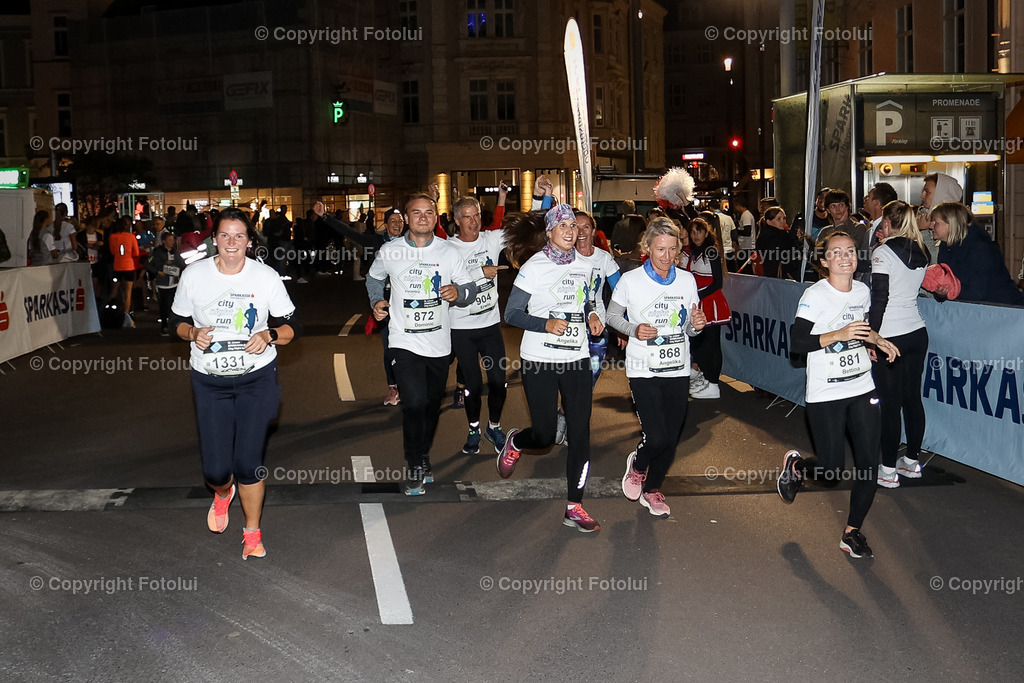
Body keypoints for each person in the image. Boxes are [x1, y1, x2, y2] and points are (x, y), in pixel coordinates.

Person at [169, 207, 300, 560]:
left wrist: (270, 334)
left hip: (257, 378)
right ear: (214, 240)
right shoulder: (195, 276)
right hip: (210, 381)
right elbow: (175, 322)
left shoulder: (265, 277)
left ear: (249, 241)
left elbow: (292, 326)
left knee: (248, 462)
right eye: (225, 235)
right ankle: (222, 493)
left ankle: (252, 532)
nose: (231, 242)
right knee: (215, 470)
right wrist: (193, 332)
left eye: (239, 236)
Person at [777, 231, 900, 559]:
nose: (845, 257)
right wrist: (838, 335)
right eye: (837, 252)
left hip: (861, 386)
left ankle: (852, 532)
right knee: (831, 468)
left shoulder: (862, 290)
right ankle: (799, 468)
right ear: (824, 261)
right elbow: (797, 342)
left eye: (850, 251)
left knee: (867, 465)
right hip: (826, 390)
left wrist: (877, 340)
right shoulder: (815, 296)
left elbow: (859, 326)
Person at [499, 205, 605, 532]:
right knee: (544, 435)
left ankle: (575, 505)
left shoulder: (584, 266)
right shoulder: (534, 266)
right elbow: (512, 314)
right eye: (564, 226)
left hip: (575, 358)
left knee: (580, 433)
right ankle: (517, 441)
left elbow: (585, 299)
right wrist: (545, 324)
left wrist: (591, 316)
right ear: (550, 232)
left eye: (575, 225)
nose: (572, 231)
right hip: (540, 359)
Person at [366, 194, 478, 495]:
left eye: (429, 212)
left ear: (436, 216)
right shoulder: (391, 251)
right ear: (406, 217)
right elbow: (373, 279)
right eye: (417, 212)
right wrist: (377, 300)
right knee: (413, 403)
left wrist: (459, 292)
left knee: (430, 406)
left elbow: (470, 288)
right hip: (403, 340)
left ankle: (424, 452)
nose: (423, 217)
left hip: (439, 344)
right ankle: (414, 461)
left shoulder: (449, 251)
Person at [607, 218, 706, 517]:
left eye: (672, 249)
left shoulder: (687, 281)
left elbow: (690, 327)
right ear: (647, 247)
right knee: (657, 436)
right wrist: (633, 329)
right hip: (643, 369)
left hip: (677, 369)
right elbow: (612, 316)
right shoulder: (631, 280)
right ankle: (637, 464)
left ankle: (652, 488)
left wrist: (697, 326)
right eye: (660, 249)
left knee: (671, 437)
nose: (666, 256)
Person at [316, 202, 407, 405]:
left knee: (410, 346)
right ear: (386, 223)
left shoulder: (411, 242)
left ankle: (411, 385)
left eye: (400, 221)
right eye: (393, 221)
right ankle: (393, 387)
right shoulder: (376, 241)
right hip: (384, 301)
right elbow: (351, 233)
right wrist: (326, 217)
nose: (397, 224)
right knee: (389, 346)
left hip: (407, 300)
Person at [870, 201, 930, 488]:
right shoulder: (922, 250)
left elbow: (879, 300)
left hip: (890, 336)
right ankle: (912, 462)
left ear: (887, 223)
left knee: (890, 404)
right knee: (912, 399)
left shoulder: (883, 253)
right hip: (917, 332)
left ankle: (888, 469)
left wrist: (873, 338)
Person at [447, 193, 510, 454]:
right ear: (456, 220)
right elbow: (449, 284)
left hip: (489, 325)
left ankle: (493, 426)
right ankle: (473, 428)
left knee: (498, 381)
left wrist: (543, 197)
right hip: (461, 327)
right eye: (467, 217)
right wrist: (479, 273)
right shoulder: (447, 248)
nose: (474, 222)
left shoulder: (491, 240)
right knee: (472, 385)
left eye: (477, 216)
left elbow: (525, 228)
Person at [930, 202, 1024, 306]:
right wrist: (941, 292)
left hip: (1002, 309)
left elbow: (978, 292)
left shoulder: (979, 247)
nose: (931, 226)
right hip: (976, 310)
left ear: (951, 223)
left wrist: (949, 292)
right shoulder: (946, 246)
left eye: (936, 222)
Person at [685, 217, 730, 399]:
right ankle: (707, 379)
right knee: (700, 344)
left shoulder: (711, 251)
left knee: (712, 345)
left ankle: (714, 383)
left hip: (711, 302)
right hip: (699, 303)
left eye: (700, 231)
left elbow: (717, 283)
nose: (696, 236)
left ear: (706, 233)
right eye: (693, 232)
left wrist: (699, 295)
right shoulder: (693, 252)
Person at [146, 230, 186, 336]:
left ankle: (173, 325)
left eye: (173, 240)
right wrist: (158, 271)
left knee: (174, 304)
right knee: (164, 305)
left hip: (174, 283)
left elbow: (181, 264)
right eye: (169, 240)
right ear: (164, 241)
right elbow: (149, 263)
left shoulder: (175, 252)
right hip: (163, 283)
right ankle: (164, 325)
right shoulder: (157, 252)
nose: (172, 242)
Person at [108, 217, 140, 327]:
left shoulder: (113, 237)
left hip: (117, 266)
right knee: (128, 292)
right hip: (128, 266)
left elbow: (112, 251)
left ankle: (111, 312)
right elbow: (136, 253)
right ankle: (126, 316)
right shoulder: (131, 237)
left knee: (115, 290)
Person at [756, 207, 801, 280]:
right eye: (779, 219)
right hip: (780, 278)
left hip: (771, 279)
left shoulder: (764, 236)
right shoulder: (775, 238)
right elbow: (782, 261)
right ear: (769, 222)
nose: (783, 221)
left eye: (784, 218)